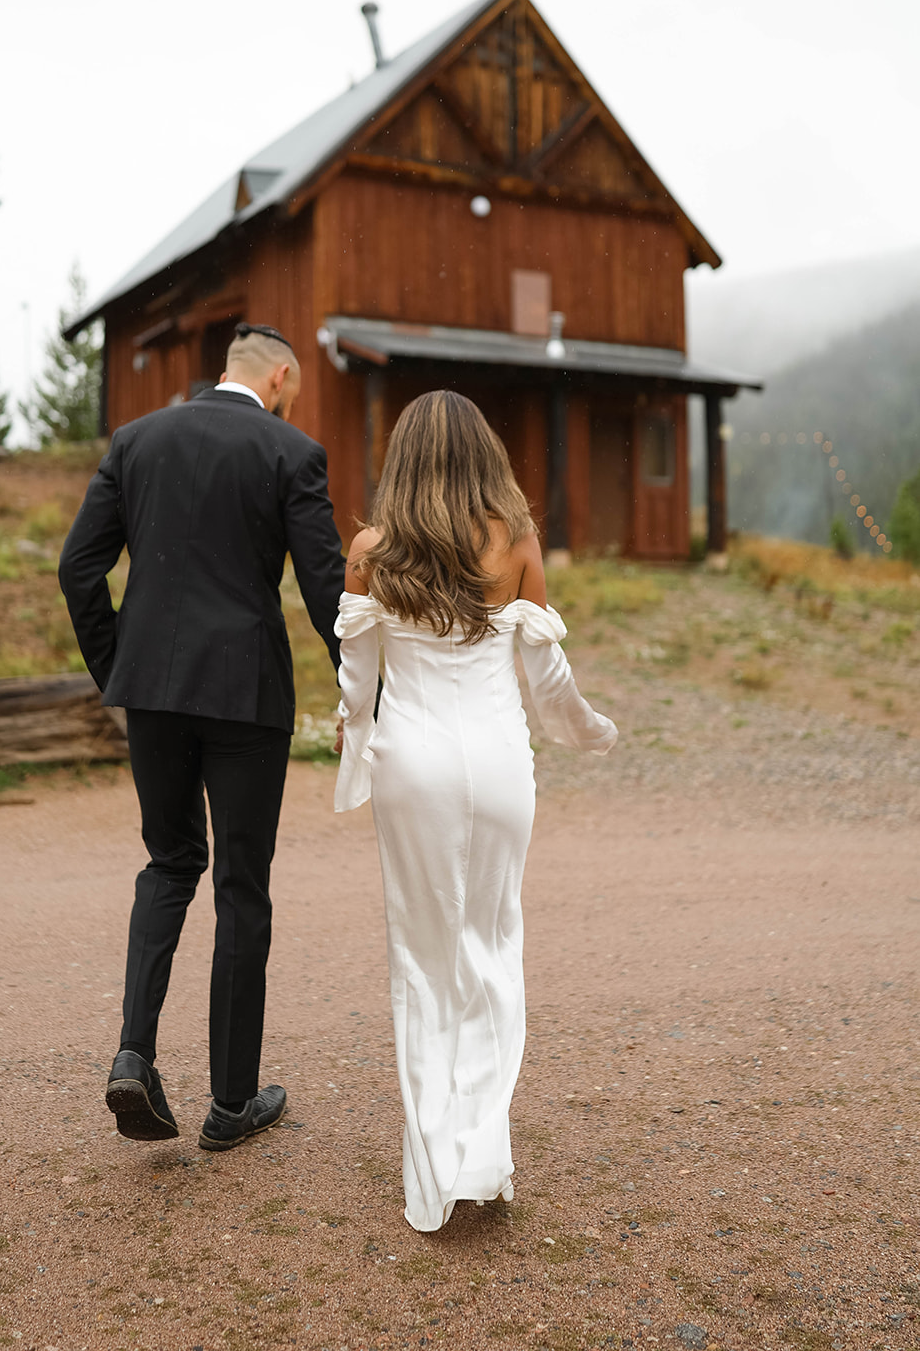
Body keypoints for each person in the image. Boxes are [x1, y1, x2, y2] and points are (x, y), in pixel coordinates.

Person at [334, 390, 617, 1232]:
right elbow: (546, 680)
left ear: (404, 458)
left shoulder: (372, 551)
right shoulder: (517, 543)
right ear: (484, 455)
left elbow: (355, 687)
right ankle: (481, 1152)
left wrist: (353, 763)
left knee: (422, 959)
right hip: (498, 767)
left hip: (410, 766)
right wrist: (589, 731)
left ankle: (433, 1168)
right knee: (491, 947)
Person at [59, 323, 345, 1151]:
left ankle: (133, 1055)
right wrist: (362, 691)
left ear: (225, 369)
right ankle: (230, 1106)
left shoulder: (138, 439)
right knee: (241, 885)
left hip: (152, 688)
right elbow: (326, 594)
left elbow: (79, 569)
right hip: (245, 695)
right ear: (281, 376)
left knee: (169, 861)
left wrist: (124, 672)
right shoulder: (293, 452)